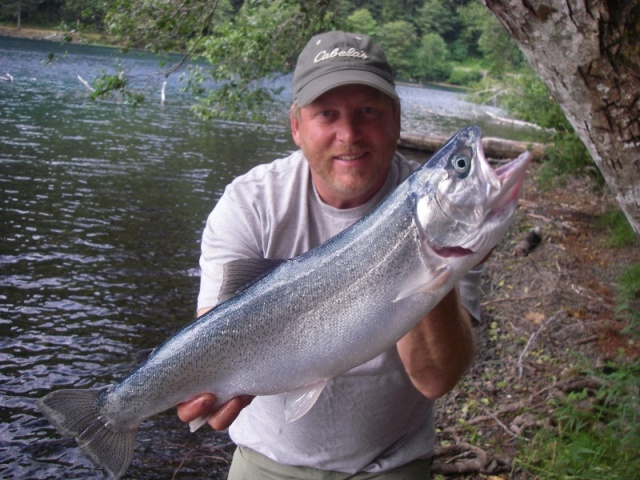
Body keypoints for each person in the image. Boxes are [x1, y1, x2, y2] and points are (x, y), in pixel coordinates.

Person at [177, 31, 482, 479]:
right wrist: (204, 382)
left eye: (368, 111)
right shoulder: (250, 202)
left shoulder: (443, 203)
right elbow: (215, 325)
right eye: (327, 114)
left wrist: (426, 254)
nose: (349, 134)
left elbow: (436, 379)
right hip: (267, 462)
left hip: (393, 465)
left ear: (396, 119)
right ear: (296, 126)